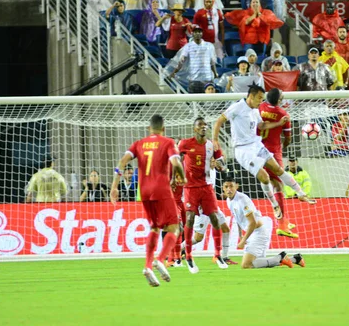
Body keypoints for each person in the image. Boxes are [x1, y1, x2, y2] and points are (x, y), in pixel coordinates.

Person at [212, 85, 313, 221]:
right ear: (251, 96)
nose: (261, 101)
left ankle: (301, 193)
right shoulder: (237, 107)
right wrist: (215, 140)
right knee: (264, 177)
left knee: (277, 169)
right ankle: (275, 205)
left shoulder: (255, 110)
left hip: (257, 145)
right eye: (259, 98)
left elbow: (262, 125)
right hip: (243, 150)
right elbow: (219, 121)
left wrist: (278, 123)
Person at [110, 114, 187, 287]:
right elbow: (175, 162)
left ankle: (147, 266)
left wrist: (114, 186)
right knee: (175, 227)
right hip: (161, 188)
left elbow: (122, 162)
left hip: (144, 191)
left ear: (148, 128)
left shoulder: (139, 143)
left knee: (154, 227)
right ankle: (160, 259)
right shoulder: (167, 142)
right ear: (164, 128)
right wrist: (183, 177)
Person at [259, 88, 314, 239]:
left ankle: (283, 220)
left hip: (257, 149)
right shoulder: (283, 115)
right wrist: (284, 145)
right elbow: (288, 138)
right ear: (278, 100)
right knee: (278, 185)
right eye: (282, 97)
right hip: (273, 152)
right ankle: (281, 224)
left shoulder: (260, 108)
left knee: (269, 182)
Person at [178, 118, 229, 273]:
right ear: (194, 129)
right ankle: (188, 256)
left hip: (206, 187)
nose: (203, 128)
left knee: (215, 218)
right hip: (190, 188)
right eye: (200, 126)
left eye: (205, 126)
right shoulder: (185, 144)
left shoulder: (212, 145)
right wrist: (175, 176)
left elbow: (223, 165)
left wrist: (219, 166)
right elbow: (175, 160)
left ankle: (218, 254)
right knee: (190, 218)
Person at [222, 175, 305, 269]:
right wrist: (240, 234)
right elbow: (237, 218)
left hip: (258, 233)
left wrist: (243, 240)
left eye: (231, 186)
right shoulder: (229, 200)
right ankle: (295, 259)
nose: (229, 189)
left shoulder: (242, 200)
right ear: (223, 188)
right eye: (226, 187)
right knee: (257, 263)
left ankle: (280, 257)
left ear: (236, 186)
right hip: (254, 233)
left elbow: (253, 223)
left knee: (246, 265)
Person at [169, 26, 218, 92]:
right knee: (194, 100)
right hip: (194, 79)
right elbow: (182, 61)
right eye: (195, 32)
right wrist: (174, 72)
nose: (198, 33)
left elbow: (212, 62)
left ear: (202, 33)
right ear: (192, 33)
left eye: (199, 32)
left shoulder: (209, 46)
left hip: (207, 78)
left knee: (208, 100)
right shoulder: (188, 46)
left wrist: (215, 73)